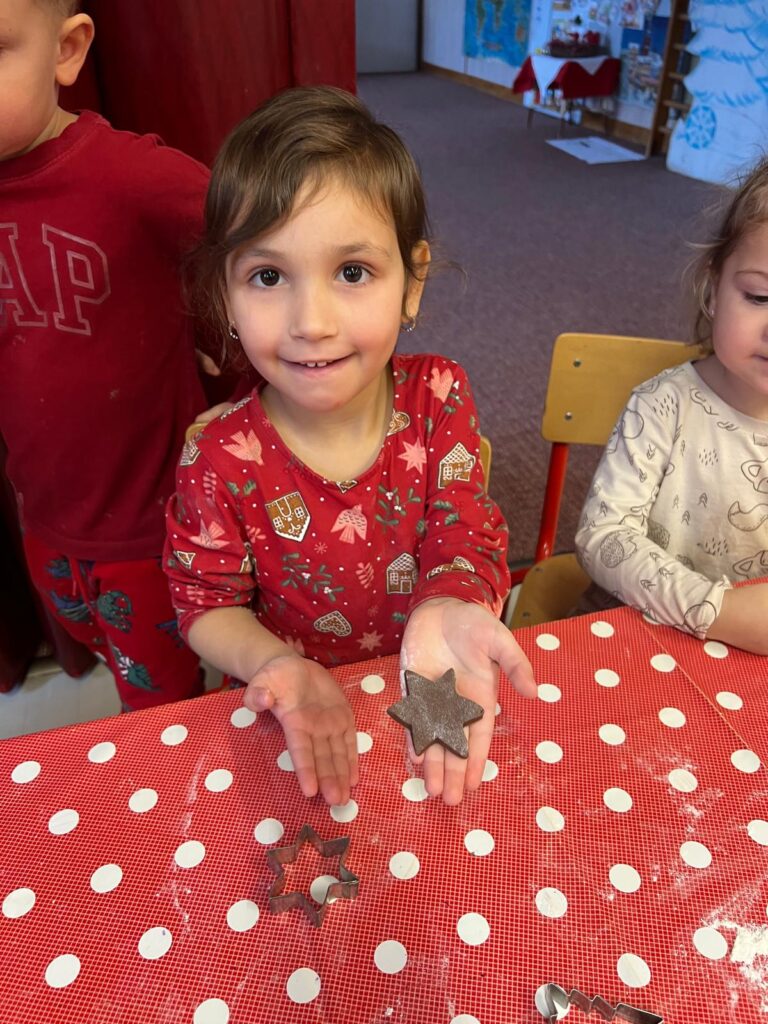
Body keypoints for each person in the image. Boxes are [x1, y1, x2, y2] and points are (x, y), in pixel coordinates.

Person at [165, 85, 537, 807]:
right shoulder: (218, 456)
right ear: (226, 297)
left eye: (352, 272)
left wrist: (450, 604)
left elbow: (463, 527)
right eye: (268, 276)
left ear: (412, 281)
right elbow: (203, 604)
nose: (312, 321)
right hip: (297, 715)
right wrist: (276, 665)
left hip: (431, 684)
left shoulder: (440, 396)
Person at [0, 0, 227, 710]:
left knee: (160, 704)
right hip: (43, 519)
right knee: (105, 653)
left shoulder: (131, 177)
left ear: (66, 50)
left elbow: (266, 242)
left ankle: (180, 779)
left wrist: (242, 355)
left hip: (148, 531)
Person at [575, 156, 768, 657]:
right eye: (760, 297)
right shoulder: (664, 406)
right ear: (713, 288)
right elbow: (602, 536)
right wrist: (716, 610)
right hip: (630, 638)